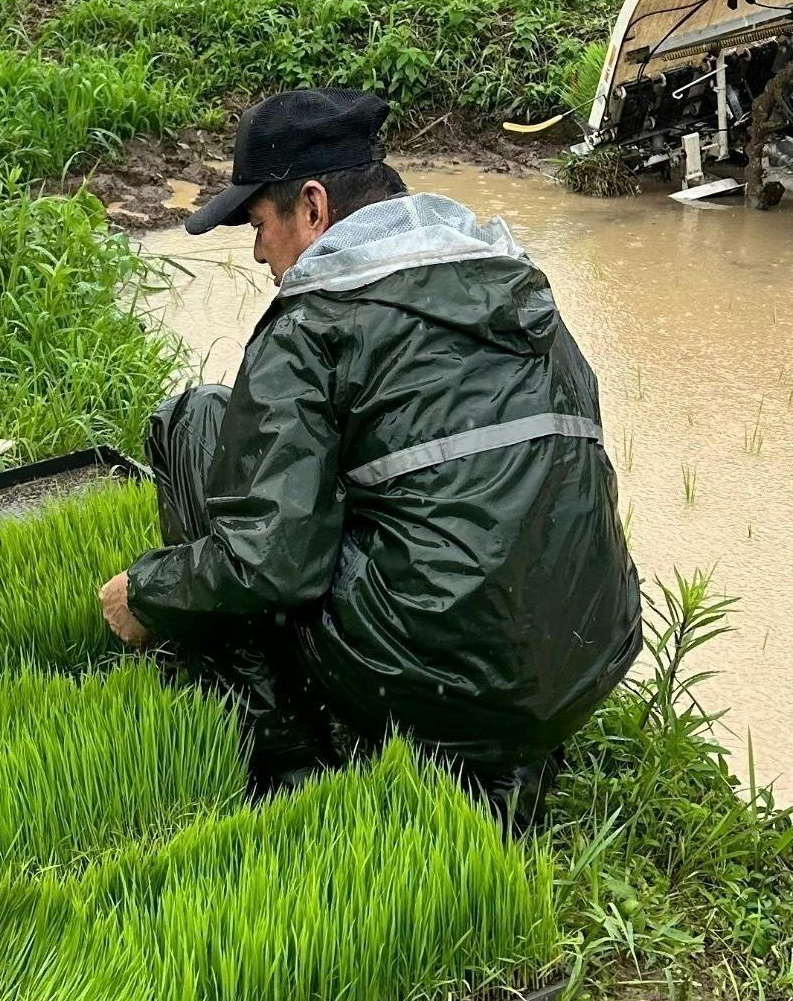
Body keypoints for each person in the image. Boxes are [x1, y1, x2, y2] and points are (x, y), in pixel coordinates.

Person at [99, 87, 641, 823]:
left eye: (259, 223)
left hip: (429, 672)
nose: (259, 251)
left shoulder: (313, 322)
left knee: (195, 422)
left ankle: (288, 766)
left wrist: (147, 591)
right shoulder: (515, 284)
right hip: (590, 657)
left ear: (313, 208)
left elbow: (268, 561)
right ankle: (505, 763)